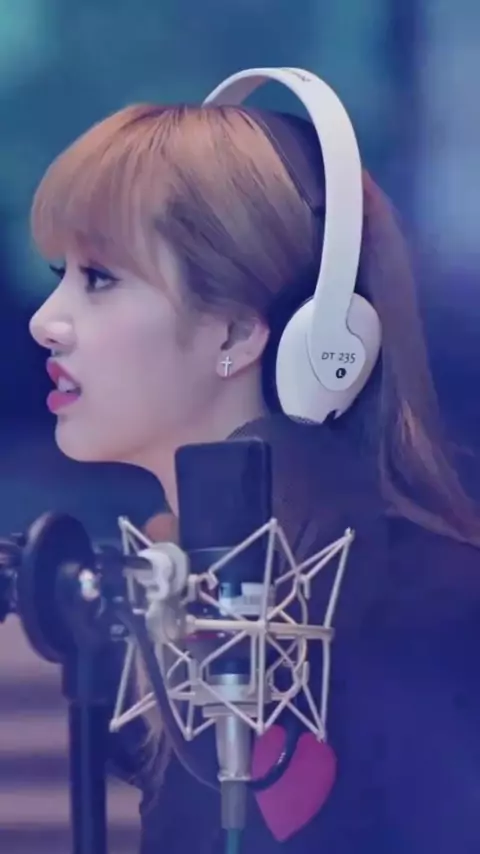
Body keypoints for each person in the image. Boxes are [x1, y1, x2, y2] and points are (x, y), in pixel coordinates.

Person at [27, 69, 480, 854]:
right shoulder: (174, 613)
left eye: (99, 278)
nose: (46, 321)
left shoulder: (427, 610)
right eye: (58, 276)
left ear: (237, 334)